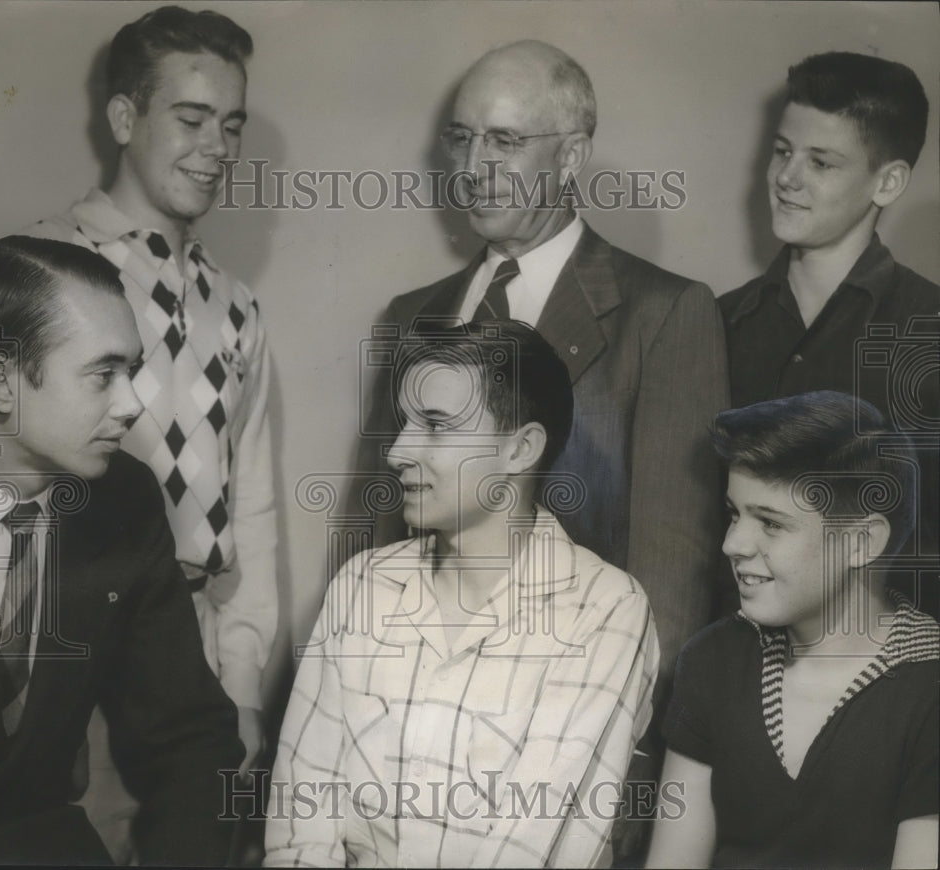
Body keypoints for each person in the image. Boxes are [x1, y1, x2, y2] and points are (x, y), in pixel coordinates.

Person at [358, 40, 728, 745]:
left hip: (567, 729)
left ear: (571, 156)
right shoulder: (410, 317)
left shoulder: (664, 314)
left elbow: (671, 577)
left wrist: (616, 760)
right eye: (461, 139)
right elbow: (374, 545)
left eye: (505, 142)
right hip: (406, 721)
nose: (473, 170)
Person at [24, 5, 278, 856]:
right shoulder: (33, 267)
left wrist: (239, 686)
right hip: (63, 650)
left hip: (193, 666)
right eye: (192, 118)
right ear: (125, 117)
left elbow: (258, 518)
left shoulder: (238, 308)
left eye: (232, 125)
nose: (218, 147)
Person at [267, 321, 659, 868]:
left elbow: (536, 846)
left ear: (520, 449)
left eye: (435, 426)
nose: (398, 451)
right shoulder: (362, 586)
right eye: (405, 424)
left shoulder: (604, 610)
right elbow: (301, 819)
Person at [0, 236, 243, 864]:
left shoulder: (124, 502)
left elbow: (190, 735)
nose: (132, 404)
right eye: (104, 375)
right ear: (0, 379)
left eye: (132, 371)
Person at [645, 391, 939, 869]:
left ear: (861, 542)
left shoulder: (929, 690)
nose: (732, 543)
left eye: (771, 524)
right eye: (734, 514)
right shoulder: (713, 659)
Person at [719, 51, 939, 615]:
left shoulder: (929, 331)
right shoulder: (716, 322)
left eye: (821, 162)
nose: (787, 178)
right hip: (732, 656)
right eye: (783, 152)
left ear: (888, 182)